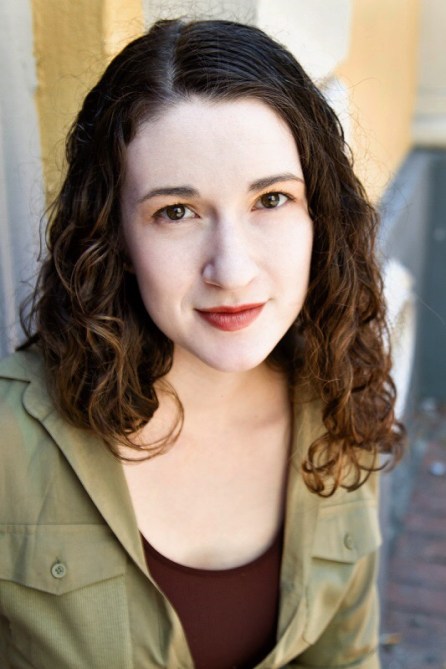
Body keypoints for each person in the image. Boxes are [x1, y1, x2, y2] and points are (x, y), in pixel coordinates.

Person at [0, 18, 404, 669]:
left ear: (319, 217)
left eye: (271, 199)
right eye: (176, 212)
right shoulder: (11, 445)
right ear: (115, 239)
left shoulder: (339, 406)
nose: (232, 270)